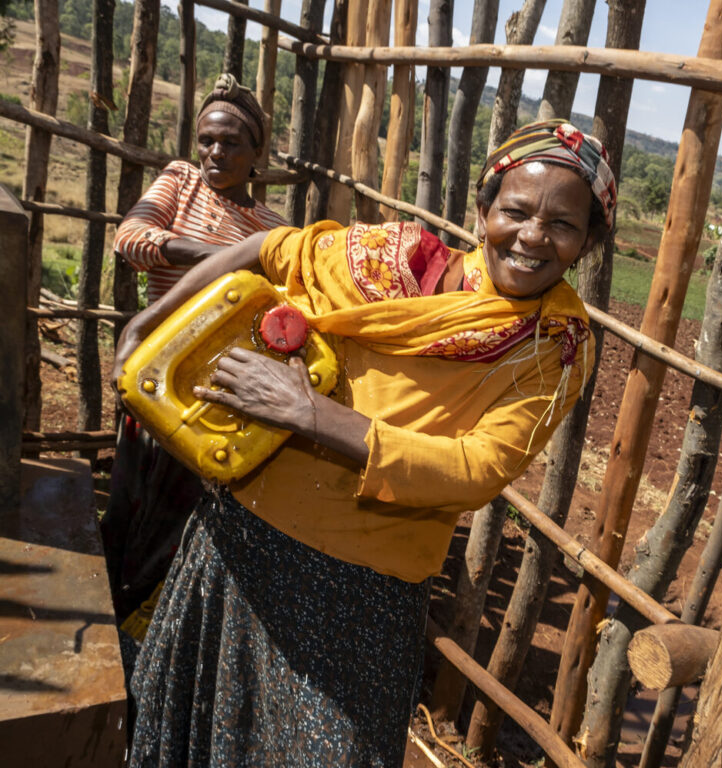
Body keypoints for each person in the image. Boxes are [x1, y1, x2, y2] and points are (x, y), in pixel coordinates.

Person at [113, 119, 616, 768]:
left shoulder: (551, 344)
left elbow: (477, 469)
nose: (532, 237)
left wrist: (307, 412)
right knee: (196, 741)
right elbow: (269, 246)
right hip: (237, 545)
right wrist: (147, 323)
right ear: (484, 207)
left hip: (361, 597)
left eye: (563, 226)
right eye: (515, 210)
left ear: (588, 243)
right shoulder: (394, 260)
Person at [102, 73, 286, 627]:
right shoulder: (180, 181)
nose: (213, 152)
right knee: (130, 500)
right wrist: (221, 258)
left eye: (230, 143)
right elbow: (131, 238)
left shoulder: (272, 226)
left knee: (188, 516)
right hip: (156, 372)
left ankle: (152, 631)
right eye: (206, 139)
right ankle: (114, 609)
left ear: (257, 153)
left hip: (220, 388)